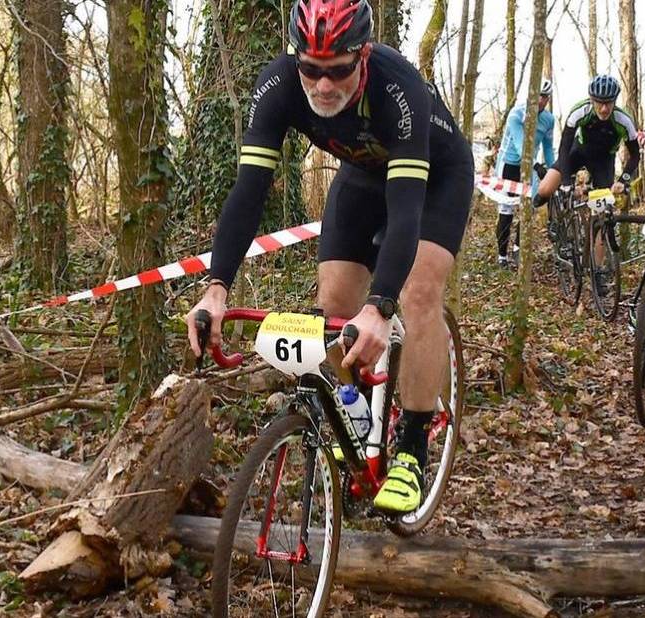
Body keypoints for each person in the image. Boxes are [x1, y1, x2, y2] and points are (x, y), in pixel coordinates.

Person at [184, 0, 474, 514]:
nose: (322, 85)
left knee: (419, 292)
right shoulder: (276, 87)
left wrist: (382, 306)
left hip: (433, 181)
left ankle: (410, 446)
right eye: (310, 70)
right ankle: (356, 413)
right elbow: (248, 194)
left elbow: (406, 212)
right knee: (334, 305)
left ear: (362, 56)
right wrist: (216, 287)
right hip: (361, 180)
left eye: (338, 70)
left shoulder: (397, 87)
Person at [536, 74, 640, 202]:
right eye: (599, 103)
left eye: (608, 103)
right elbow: (564, 147)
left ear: (615, 101)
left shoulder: (624, 121)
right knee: (544, 190)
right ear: (591, 100)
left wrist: (623, 180)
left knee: (605, 208)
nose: (604, 109)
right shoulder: (580, 112)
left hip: (604, 160)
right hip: (578, 151)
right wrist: (566, 182)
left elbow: (635, 155)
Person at [494, 79, 556, 268]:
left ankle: (518, 250)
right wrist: (537, 165)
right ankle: (502, 256)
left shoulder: (548, 119)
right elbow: (521, 145)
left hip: (530, 168)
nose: (540, 100)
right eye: (537, 95)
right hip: (509, 165)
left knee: (528, 210)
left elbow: (548, 149)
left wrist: (554, 171)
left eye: (544, 97)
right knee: (507, 210)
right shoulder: (516, 114)